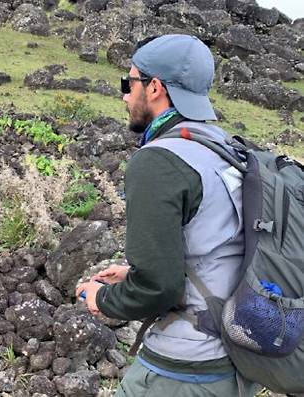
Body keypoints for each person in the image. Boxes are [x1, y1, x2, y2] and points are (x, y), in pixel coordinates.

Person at [75, 34, 258, 396]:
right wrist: (132, 273)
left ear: (155, 87)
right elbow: (221, 245)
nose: (125, 95)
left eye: (129, 83)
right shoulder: (224, 147)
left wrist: (102, 299)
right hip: (240, 357)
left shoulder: (161, 161)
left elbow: (157, 288)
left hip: (185, 367)